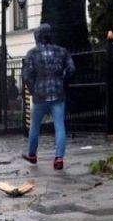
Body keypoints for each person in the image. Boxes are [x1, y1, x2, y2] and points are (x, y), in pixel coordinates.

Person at [21, 23, 75, 170]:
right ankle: (59, 158)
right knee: (59, 125)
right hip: (58, 93)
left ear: (37, 37)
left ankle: (32, 154)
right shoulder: (62, 51)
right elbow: (71, 69)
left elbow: (26, 75)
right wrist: (63, 83)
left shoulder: (32, 53)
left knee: (35, 126)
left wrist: (33, 90)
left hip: (40, 94)